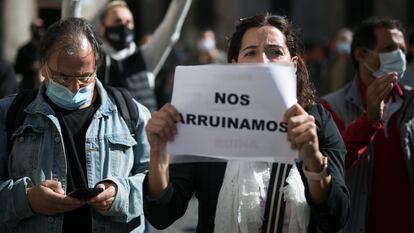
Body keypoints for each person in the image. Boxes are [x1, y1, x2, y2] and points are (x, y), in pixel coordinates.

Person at [143, 13, 350, 233]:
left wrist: (313, 161)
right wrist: (159, 155)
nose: (262, 61)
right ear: (235, 65)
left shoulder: (316, 123)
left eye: (275, 52)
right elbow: (162, 215)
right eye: (251, 52)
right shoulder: (206, 124)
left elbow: (336, 217)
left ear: (294, 64)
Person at [0, 17, 150, 233]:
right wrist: (27, 200)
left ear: (96, 68)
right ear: (43, 67)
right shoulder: (8, 114)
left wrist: (121, 194)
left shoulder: (132, 113)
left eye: (84, 78)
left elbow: (157, 187)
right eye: (62, 77)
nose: (73, 87)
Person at [321, 17, 414, 233]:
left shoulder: (410, 103)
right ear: (361, 55)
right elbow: (333, 164)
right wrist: (368, 120)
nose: (399, 56)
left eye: (402, 49)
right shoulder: (330, 107)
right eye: (389, 48)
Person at [97, 0, 191, 112]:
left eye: (129, 22)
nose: (124, 26)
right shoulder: (93, 62)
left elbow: (170, 29)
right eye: (118, 21)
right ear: (102, 28)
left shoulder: (146, 57)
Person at [319, 28, 355, 96]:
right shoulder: (330, 62)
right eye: (340, 39)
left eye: (345, 40)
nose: (343, 43)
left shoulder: (356, 63)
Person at [14, 18, 45, 90]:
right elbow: (17, 69)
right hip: (28, 86)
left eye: (41, 27)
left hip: (44, 87)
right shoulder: (24, 49)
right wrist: (30, 66)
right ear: (32, 29)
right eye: (37, 28)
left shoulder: (48, 48)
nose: (39, 30)